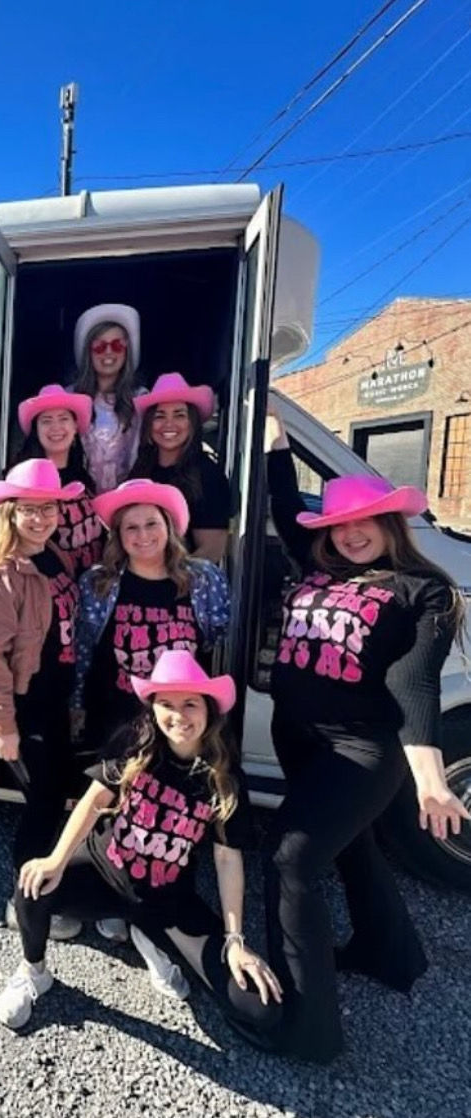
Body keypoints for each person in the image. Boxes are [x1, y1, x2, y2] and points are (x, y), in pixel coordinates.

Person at [262, 407, 469, 1063]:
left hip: (360, 750)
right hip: (300, 737)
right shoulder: (316, 564)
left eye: (365, 523)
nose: (351, 535)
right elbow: (279, 493)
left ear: (389, 523)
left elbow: (415, 687)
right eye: (338, 524)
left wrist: (430, 782)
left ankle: (308, 1027)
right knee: (350, 849)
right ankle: (391, 954)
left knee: (290, 859)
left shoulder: (424, 590)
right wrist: (274, 432)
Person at [0, 649, 283, 1048]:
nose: (178, 715)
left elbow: (227, 858)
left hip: (166, 902)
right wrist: (56, 860)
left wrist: (235, 941)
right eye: (166, 704)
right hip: (103, 875)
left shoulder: (224, 776)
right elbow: (93, 802)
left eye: (190, 704)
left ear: (209, 710)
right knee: (31, 884)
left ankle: (145, 933)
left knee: (261, 1011)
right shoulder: (138, 743)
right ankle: (34, 972)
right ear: (153, 708)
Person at [0, 458, 90, 936]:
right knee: (42, 801)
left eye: (50, 508)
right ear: (10, 514)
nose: (41, 518)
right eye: (29, 510)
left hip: (56, 698)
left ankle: (41, 892)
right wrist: (4, 727)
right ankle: (24, 905)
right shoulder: (2, 573)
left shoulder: (56, 556)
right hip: (27, 704)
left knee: (54, 796)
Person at [73, 478, 231, 757]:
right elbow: (83, 650)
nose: (142, 535)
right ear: (118, 535)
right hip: (113, 720)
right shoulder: (98, 584)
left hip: (179, 725)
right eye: (131, 527)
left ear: (168, 527)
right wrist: (76, 704)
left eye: (151, 524)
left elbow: (215, 640)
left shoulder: (204, 580)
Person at [130, 372, 231, 563]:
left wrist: (165, 582)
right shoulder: (140, 469)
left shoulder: (208, 475)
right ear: (149, 424)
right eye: (160, 416)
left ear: (192, 423)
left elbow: (212, 550)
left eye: (179, 415)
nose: (169, 424)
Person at [15, 383, 107, 573]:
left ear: (75, 427)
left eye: (63, 418)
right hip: (53, 590)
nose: (56, 427)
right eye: (46, 420)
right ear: (36, 430)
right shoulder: (23, 483)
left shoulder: (84, 477)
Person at [69, 303, 144, 494]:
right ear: (88, 352)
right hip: (77, 500)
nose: (109, 352)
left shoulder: (143, 399)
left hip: (129, 503)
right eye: (100, 346)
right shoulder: (69, 397)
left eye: (117, 345)